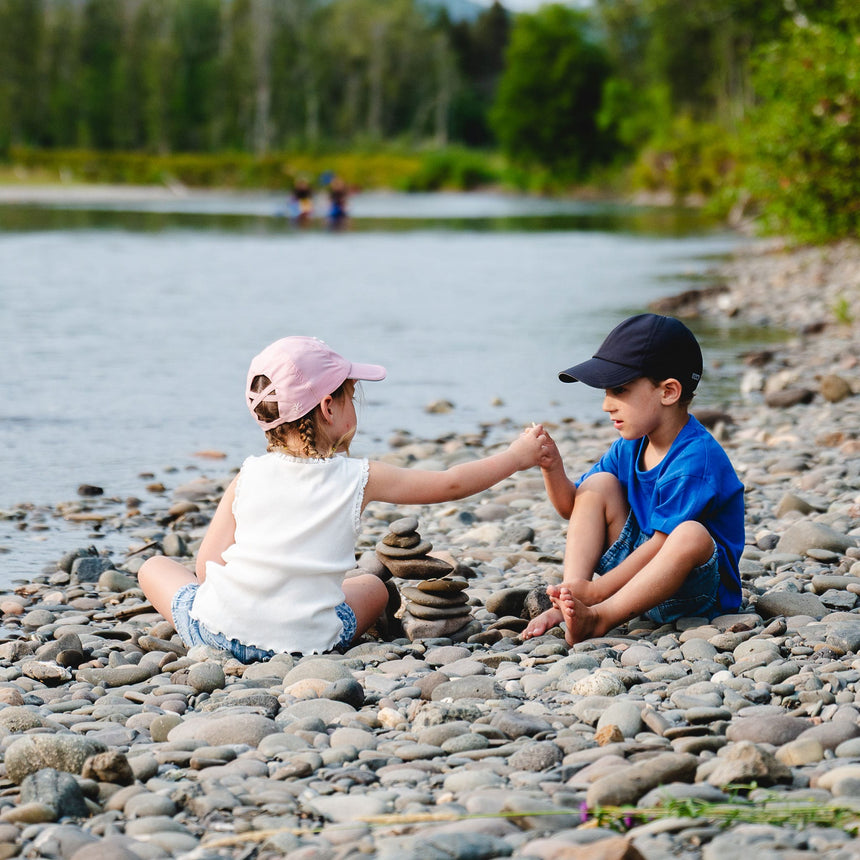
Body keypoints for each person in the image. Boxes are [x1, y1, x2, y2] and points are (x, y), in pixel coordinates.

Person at [139, 336, 547, 661]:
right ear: (328, 407)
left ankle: (217, 631)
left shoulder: (248, 474)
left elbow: (206, 567)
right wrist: (516, 456)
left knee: (154, 566)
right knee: (371, 587)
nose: (355, 406)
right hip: (307, 643)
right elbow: (450, 484)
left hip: (218, 633)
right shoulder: (358, 477)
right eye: (352, 396)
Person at [523, 313, 744, 645]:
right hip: (635, 584)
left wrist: (600, 590)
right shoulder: (630, 446)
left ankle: (600, 617)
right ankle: (572, 599)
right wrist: (551, 467)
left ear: (668, 392)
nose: (605, 405)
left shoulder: (695, 459)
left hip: (693, 592)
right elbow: (573, 506)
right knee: (597, 485)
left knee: (689, 535)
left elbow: (661, 544)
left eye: (619, 389)